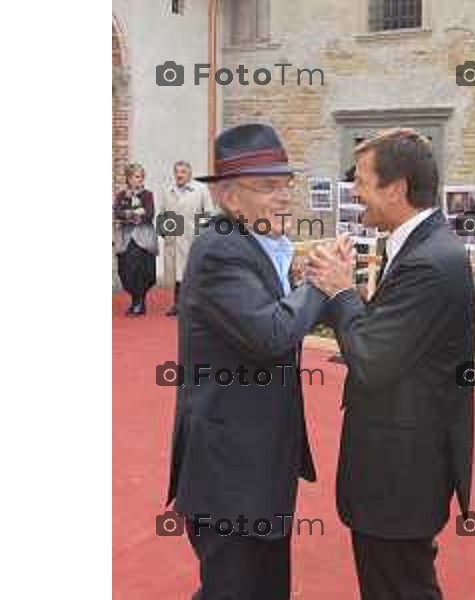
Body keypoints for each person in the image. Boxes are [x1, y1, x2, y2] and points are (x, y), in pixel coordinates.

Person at [306, 128, 475, 600]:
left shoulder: (429, 261)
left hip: (401, 475)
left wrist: (341, 290)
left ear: (396, 188)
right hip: (403, 467)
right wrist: (355, 294)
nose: (354, 193)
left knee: (399, 589)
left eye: (360, 181)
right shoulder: (423, 247)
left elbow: (372, 359)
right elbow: (394, 335)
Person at [166, 124, 330, 600]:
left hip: (258, 464)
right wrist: (321, 284)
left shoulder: (254, 243)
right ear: (230, 198)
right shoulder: (219, 248)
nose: (283, 198)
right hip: (230, 473)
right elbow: (271, 333)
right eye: (267, 187)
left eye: (286, 185)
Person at [158, 161, 216, 316]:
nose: (179, 175)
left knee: (192, 272)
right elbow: (163, 213)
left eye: (183, 172)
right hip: (175, 238)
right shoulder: (168, 191)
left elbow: (208, 213)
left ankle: (194, 305)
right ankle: (177, 304)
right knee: (177, 274)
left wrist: (202, 235)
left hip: (192, 237)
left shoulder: (200, 189)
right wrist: (164, 231)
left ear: (189, 174)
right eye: (177, 172)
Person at [113, 163, 158, 315]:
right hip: (125, 238)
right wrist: (133, 214)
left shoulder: (148, 195)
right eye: (136, 177)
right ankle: (135, 299)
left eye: (141, 177)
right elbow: (117, 212)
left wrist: (130, 215)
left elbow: (149, 214)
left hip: (143, 238)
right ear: (129, 178)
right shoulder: (121, 195)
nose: (140, 180)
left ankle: (139, 303)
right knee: (124, 271)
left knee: (141, 270)